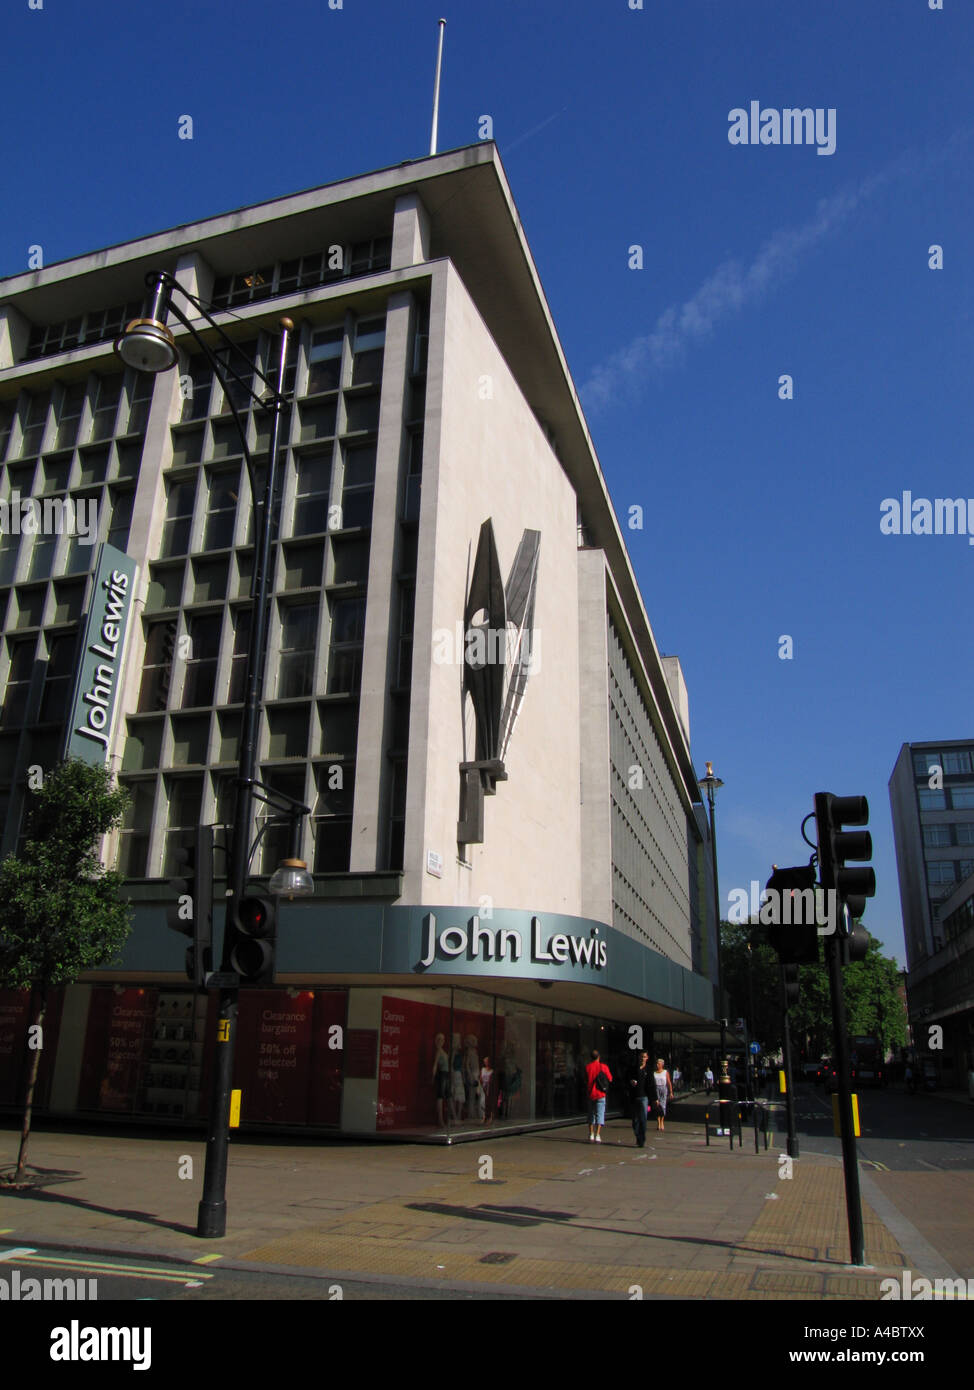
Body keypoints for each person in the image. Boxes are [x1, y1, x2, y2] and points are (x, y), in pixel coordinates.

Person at [585, 1049, 612, 1143]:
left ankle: (591, 1133)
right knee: (600, 1114)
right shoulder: (603, 1067)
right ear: (599, 1057)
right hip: (601, 1093)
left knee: (591, 1114)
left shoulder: (588, 1067)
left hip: (590, 1093)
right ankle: (598, 1134)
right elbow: (610, 1078)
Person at [629, 1050, 652, 1147]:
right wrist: (631, 1082)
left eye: (644, 1057)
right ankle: (638, 1137)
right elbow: (628, 1079)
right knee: (635, 1121)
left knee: (643, 1119)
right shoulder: (634, 1069)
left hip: (644, 1097)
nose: (642, 1058)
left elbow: (651, 1085)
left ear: (647, 1058)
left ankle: (641, 1140)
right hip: (635, 1096)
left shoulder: (648, 1070)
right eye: (641, 1056)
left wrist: (654, 1099)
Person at [432, 1032, 450, 1126]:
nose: (441, 1041)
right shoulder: (439, 1051)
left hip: (445, 1074)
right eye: (439, 1039)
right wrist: (433, 1076)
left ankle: (444, 1119)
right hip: (442, 1074)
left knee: (445, 1096)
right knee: (440, 1096)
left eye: (442, 1039)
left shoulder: (442, 1051)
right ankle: (440, 1119)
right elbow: (435, 1064)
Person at [653, 1057, 674, 1133]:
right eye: (657, 1063)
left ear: (662, 1064)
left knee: (663, 1105)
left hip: (663, 1088)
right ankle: (658, 1122)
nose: (657, 1065)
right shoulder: (654, 1073)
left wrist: (671, 1092)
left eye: (659, 1064)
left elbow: (668, 1082)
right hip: (656, 1089)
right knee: (657, 1106)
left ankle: (662, 1121)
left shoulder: (665, 1072)